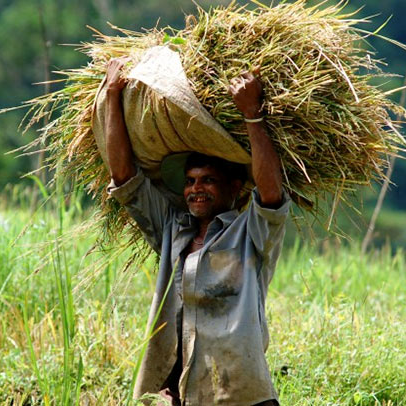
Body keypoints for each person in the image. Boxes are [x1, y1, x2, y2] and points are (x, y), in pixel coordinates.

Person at [103, 58, 290, 406]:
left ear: (234, 187)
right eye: (189, 182)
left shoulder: (252, 234)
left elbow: (271, 194)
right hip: (180, 394)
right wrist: (112, 96)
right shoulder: (173, 230)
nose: (195, 189)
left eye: (207, 181)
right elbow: (124, 177)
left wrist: (252, 115)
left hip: (242, 395)